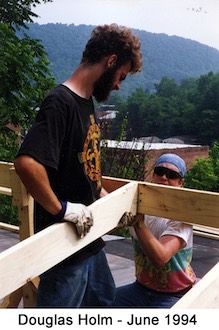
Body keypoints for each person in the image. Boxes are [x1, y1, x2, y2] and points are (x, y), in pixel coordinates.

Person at [14, 23, 142, 307]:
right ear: (110, 61)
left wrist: (109, 201)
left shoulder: (85, 102)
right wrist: (61, 209)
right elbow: (27, 164)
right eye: (120, 75)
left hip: (89, 240)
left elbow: (83, 169)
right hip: (64, 249)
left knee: (103, 301)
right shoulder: (60, 103)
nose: (119, 85)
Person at [113, 153, 197, 308]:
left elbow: (160, 258)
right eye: (160, 171)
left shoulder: (182, 214)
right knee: (101, 304)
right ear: (153, 175)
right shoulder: (138, 204)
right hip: (141, 288)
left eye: (172, 175)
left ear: (180, 183)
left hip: (175, 294)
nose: (164, 177)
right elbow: (111, 206)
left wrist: (139, 224)